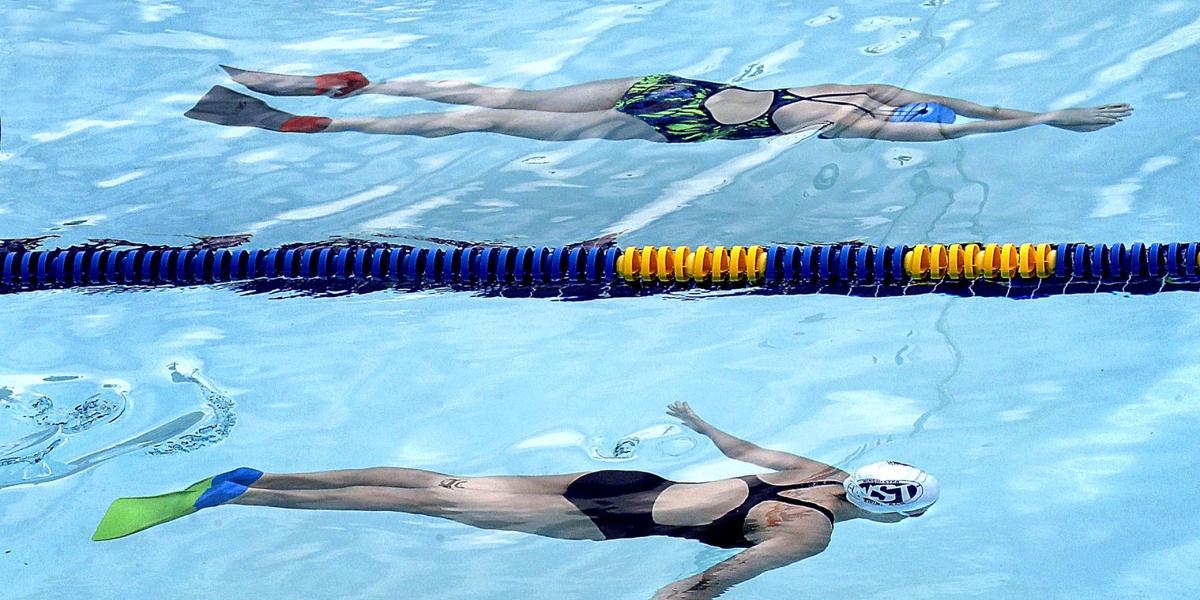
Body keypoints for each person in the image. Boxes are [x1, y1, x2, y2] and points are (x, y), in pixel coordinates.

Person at [90, 403, 939, 600]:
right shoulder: (808, 532)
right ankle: (239, 495)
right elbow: (708, 583)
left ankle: (262, 476)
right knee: (432, 505)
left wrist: (695, 421)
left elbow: (742, 447)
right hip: (612, 522)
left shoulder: (814, 471)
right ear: (892, 518)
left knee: (443, 483)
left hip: (623, 480)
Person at [184, 65, 1131, 144]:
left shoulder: (863, 90)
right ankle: (329, 121)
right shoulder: (855, 120)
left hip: (672, 87)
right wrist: (1049, 122)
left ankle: (363, 82)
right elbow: (954, 124)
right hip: (674, 120)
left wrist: (1041, 111)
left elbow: (959, 104)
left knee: (502, 95)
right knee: (486, 120)